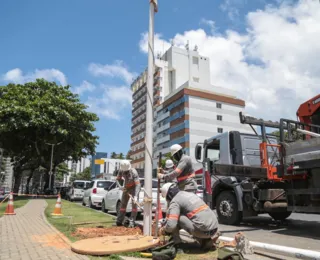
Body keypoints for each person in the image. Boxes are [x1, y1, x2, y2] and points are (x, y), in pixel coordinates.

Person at [159, 182, 219, 250]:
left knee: (176, 218)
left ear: (169, 195)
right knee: (195, 220)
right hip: (214, 229)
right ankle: (205, 241)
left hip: (203, 231)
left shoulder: (175, 201)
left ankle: (177, 243)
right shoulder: (188, 194)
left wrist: (164, 229)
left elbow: (171, 226)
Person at [115, 160, 141, 228]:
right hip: (126, 188)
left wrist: (135, 196)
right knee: (123, 205)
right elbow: (117, 179)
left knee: (134, 206)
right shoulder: (121, 170)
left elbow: (138, 185)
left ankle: (132, 222)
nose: (125, 172)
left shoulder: (134, 172)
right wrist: (120, 186)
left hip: (134, 188)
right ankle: (119, 221)